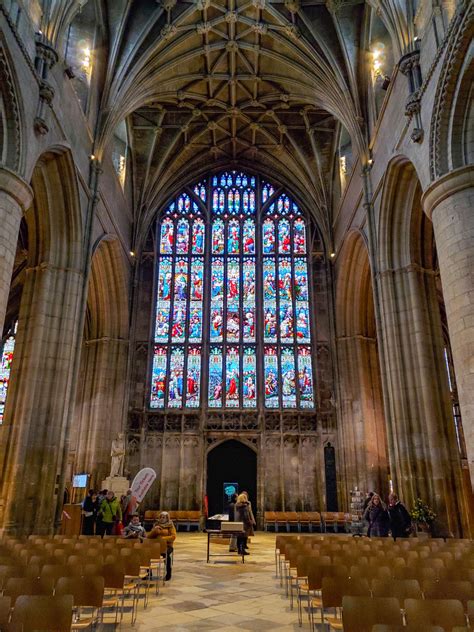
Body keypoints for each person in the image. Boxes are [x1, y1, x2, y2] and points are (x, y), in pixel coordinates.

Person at [148, 511, 176, 580]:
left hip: (167, 545)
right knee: (146, 554)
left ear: (167, 518)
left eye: (164, 517)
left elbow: (173, 537)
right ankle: (148, 574)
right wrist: (154, 530)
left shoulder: (170, 525)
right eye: (161, 517)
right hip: (156, 546)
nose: (162, 519)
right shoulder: (156, 525)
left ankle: (168, 573)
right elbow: (149, 537)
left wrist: (162, 539)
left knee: (166, 555)